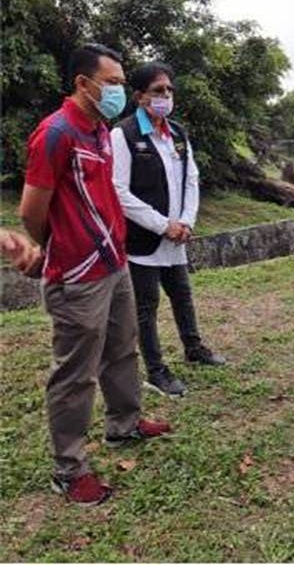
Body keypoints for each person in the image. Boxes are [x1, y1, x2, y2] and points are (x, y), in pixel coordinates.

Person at [19, 43, 171, 506]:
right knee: (75, 373)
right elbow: (32, 209)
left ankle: (124, 424)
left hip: (113, 262)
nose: (121, 91)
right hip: (78, 274)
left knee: (122, 348)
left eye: (123, 82)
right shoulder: (56, 133)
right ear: (83, 84)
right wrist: (56, 248)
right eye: (113, 82)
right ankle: (69, 469)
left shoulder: (99, 129)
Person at [111, 62, 224, 398]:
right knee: (146, 308)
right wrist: (162, 225)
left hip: (178, 236)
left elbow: (191, 178)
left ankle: (194, 347)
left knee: (182, 295)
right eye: (158, 91)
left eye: (169, 90)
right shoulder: (125, 134)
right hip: (145, 239)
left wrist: (186, 220)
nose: (165, 96)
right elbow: (119, 190)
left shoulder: (177, 133)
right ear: (139, 96)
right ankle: (156, 370)